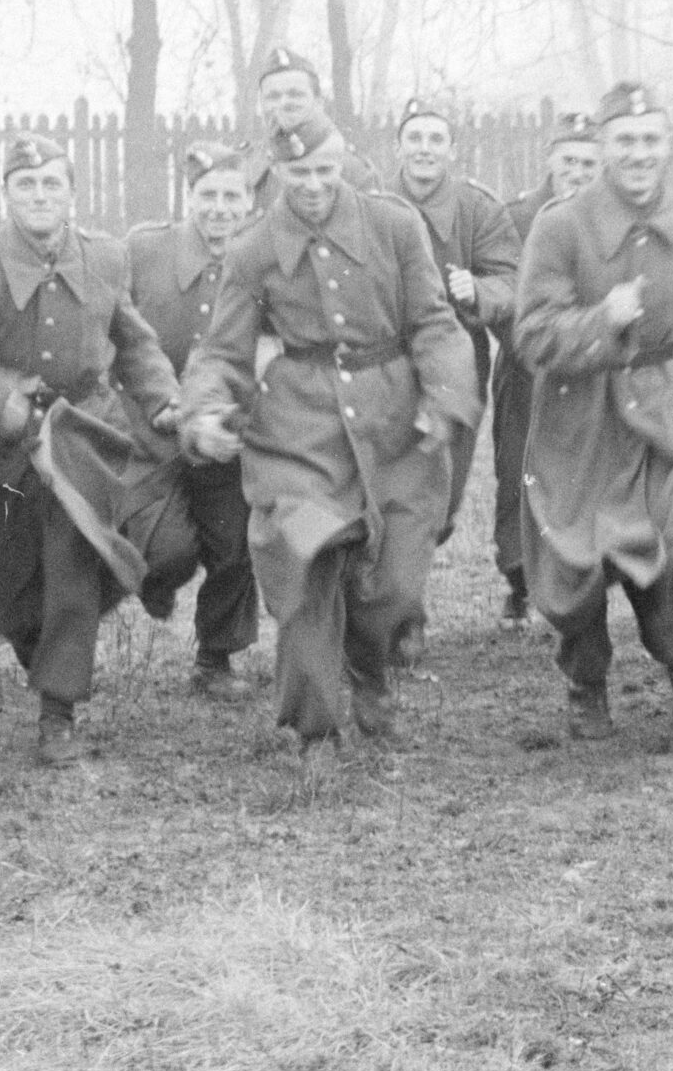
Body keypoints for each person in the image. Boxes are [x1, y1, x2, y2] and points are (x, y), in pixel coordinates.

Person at [178, 116, 478, 759]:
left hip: (394, 423)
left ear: (342, 165)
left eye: (324, 170)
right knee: (304, 567)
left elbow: (434, 321)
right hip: (299, 429)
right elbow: (222, 352)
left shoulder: (394, 226)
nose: (313, 186)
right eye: (298, 174)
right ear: (276, 174)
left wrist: (444, 396)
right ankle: (314, 727)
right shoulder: (253, 247)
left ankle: (368, 669)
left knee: (394, 585)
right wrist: (204, 411)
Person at [510, 86, 673, 741]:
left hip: (672, 409)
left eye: (651, 139)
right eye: (625, 140)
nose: (638, 153)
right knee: (577, 559)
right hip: (582, 417)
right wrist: (602, 320)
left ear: (669, 144)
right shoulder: (560, 225)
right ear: (603, 146)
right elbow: (532, 334)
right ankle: (586, 684)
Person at [0, 135, 181, 763]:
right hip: (0, 451)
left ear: (72, 193)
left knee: (72, 569)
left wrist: (162, 397)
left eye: (52, 183)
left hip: (83, 440)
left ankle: (58, 713)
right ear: (6, 193)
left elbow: (133, 341)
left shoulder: (106, 258)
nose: (40, 195)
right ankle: (40, 653)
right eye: (26, 184)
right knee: (10, 589)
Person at [123, 142, 262, 700]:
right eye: (208, 195)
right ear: (189, 197)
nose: (220, 209)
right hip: (152, 430)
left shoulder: (263, 256)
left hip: (227, 428)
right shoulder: (143, 249)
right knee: (167, 550)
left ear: (250, 201)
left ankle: (215, 658)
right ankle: (156, 577)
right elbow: (116, 329)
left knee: (235, 543)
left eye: (232, 196)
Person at [390, 98, 521, 544]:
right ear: (398, 148)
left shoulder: (477, 208)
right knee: (387, 484)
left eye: (435, 139)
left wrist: (479, 290)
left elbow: (512, 278)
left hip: (457, 357)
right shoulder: (371, 204)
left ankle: (430, 534)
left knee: (444, 488)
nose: (424, 149)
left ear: (452, 149)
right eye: (414, 138)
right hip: (386, 356)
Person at [495, 111, 603, 627]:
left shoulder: (608, 215)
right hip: (526, 368)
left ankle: (575, 580)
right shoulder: (518, 217)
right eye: (568, 161)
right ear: (549, 160)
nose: (577, 172)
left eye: (588, 163)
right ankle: (518, 579)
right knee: (518, 470)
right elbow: (501, 289)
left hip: (590, 366)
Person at [243, 48, 379, 214]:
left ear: (318, 103)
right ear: (261, 105)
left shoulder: (352, 170)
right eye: (273, 96)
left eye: (295, 94)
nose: (284, 103)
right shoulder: (244, 165)